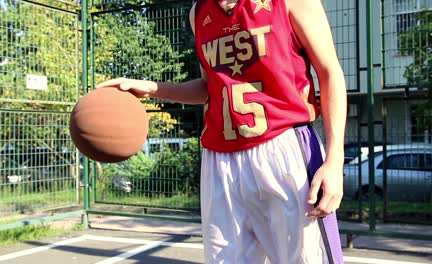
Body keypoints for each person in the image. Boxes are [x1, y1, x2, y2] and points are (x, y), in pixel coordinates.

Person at [97, 0, 347, 262]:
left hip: (285, 149)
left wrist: (334, 160)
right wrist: (152, 88)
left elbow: (330, 73)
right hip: (220, 160)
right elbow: (210, 87)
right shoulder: (199, 11)